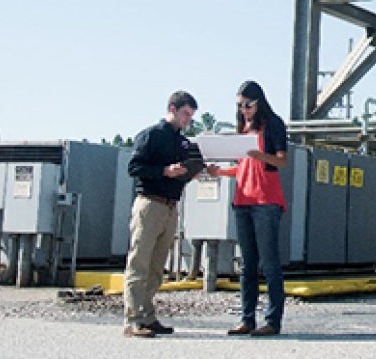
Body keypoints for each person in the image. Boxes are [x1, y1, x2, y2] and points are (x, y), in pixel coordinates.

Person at [123, 90, 214, 338]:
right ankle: (133, 319)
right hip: (149, 204)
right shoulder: (151, 135)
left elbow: (184, 170)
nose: (188, 120)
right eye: (185, 114)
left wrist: (189, 174)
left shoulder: (183, 142)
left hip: (171, 205)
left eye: (191, 116)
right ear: (172, 109)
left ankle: (148, 316)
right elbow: (134, 167)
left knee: (156, 265)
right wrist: (164, 171)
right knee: (139, 261)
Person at [217, 80, 289, 337]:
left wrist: (261, 156)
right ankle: (246, 318)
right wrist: (220, 171)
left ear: (259, 103)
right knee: (247, 264)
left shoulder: (274, 124)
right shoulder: (242, 128)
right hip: (242, 201)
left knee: (269, 263)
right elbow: (242, 167)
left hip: (266, 201)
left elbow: (281, 161)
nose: (244, 110)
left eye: (248, 105)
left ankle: (272, 320)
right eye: (240, 106)